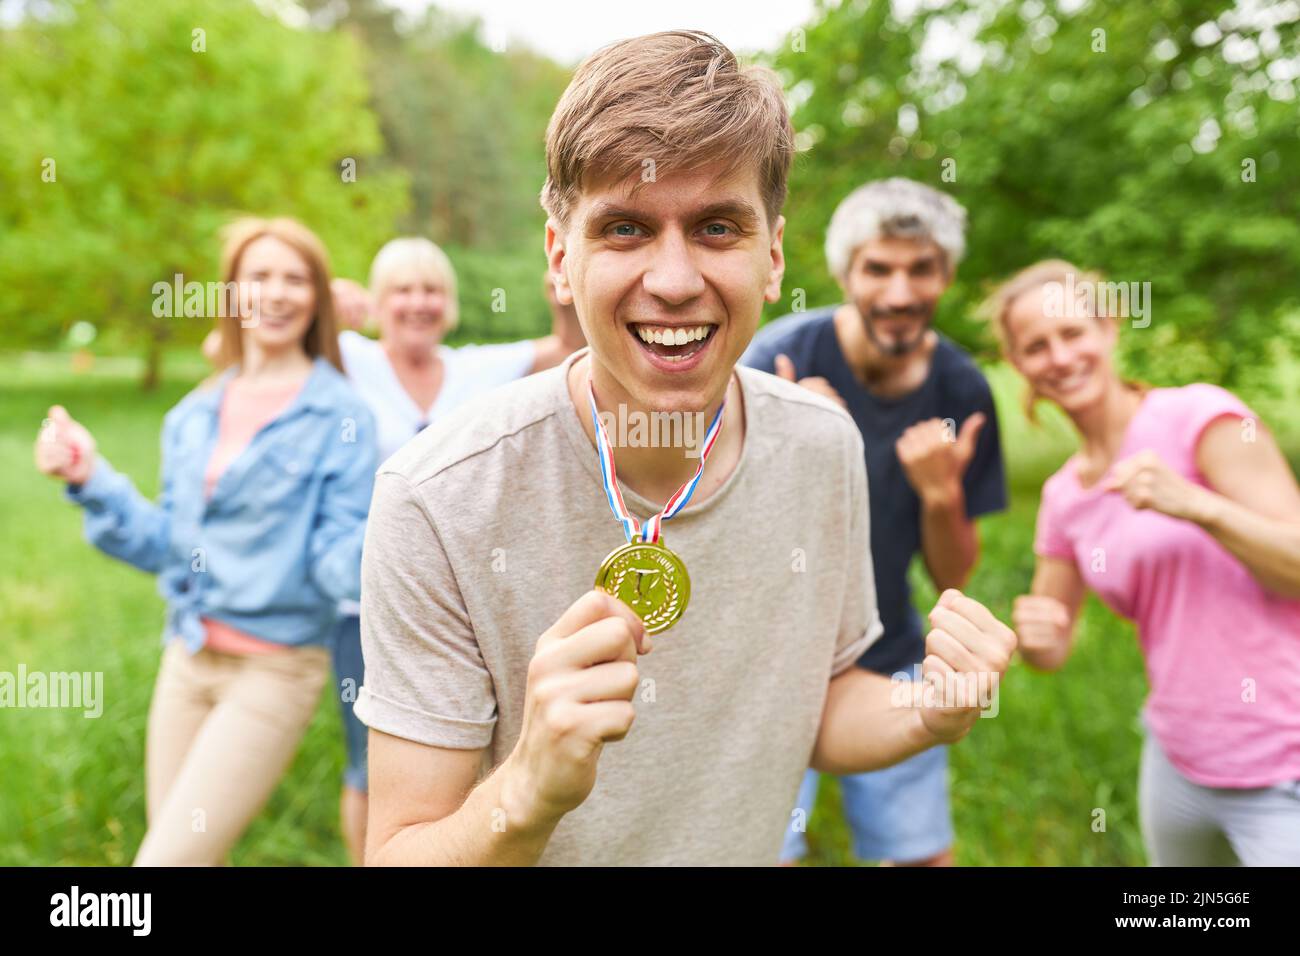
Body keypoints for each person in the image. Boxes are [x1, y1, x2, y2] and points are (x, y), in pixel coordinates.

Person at [354, 30, 1016, 866]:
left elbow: (821, 707)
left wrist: (930, 704)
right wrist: (527, 790)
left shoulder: (822, 446)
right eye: (625, 228)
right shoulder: (438, 497)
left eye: (716, 228)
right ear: (561, 259)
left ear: (772, 255)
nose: (673, 281)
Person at [34, 217, 377, 865]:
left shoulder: (341, 415)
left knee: (163, 864)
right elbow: (169, 544)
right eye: (260, 277)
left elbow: (339, 560)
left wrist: (404, 546)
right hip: (187, 658)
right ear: (232, 293)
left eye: (295, 279)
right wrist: (90, 477)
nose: (276, 293)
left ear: (317, 299)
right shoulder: (192, 414)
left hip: (275, 669)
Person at [989, 260, 1300, 866]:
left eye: (1073, 332)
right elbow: (1052, 647)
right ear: (1020, 365)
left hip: (1282, 759)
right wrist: (1033, 636)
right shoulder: (1064, 496)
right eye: (1036, 345)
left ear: (1107, 329)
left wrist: (1196, 506)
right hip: (1176, 762)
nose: (1059, 355)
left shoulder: (1200, 418)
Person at [742, 178, 1006, 866]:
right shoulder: (777, 360)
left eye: (920, 269)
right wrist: (787, 441)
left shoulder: (961, 388)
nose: (898, 293)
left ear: (945, 274)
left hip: (890, 656)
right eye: (878, 268)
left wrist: (942, 495)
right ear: (845, 273)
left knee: (922, 857)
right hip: (764, 663)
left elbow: (954, 575)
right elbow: (709, 526)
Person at [327, 245, 586, 864]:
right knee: (369, 764)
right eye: (401, 291)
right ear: (377, 303)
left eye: (432, 290)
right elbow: (234, 344)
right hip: (359, 602)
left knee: (458, 758)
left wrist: (565, 293)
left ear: (450, 305)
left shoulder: (476, 371)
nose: (418, 303)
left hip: (454, 599)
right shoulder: (349, 360)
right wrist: (328, 298)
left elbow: (568, 350)